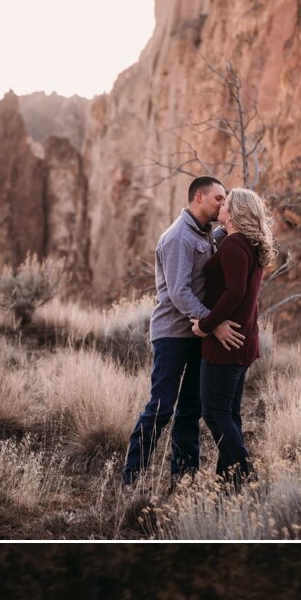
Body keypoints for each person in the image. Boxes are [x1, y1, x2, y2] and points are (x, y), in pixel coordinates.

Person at [122, 172, 231, 488]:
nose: (222, 203)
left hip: (198, 333)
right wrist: (211, 322)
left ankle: (184, 480)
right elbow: (179, 292)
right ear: (200, 197)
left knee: (190, 410)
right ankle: (132, 478)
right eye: (218, 198)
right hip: (172, 334)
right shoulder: (178, 237)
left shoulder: (205, 233)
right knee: (161, 407)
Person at [191, 183, 273, 483]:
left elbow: (234, 292)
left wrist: (206, 324)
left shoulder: (235, 245)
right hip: (243, 341)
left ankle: (244, 474)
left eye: (226, 203)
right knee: (229, 413)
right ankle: (229, 481)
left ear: (234, 213)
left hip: (228, 343)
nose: (220, 206)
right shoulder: (243, 243)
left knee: (214, 412)